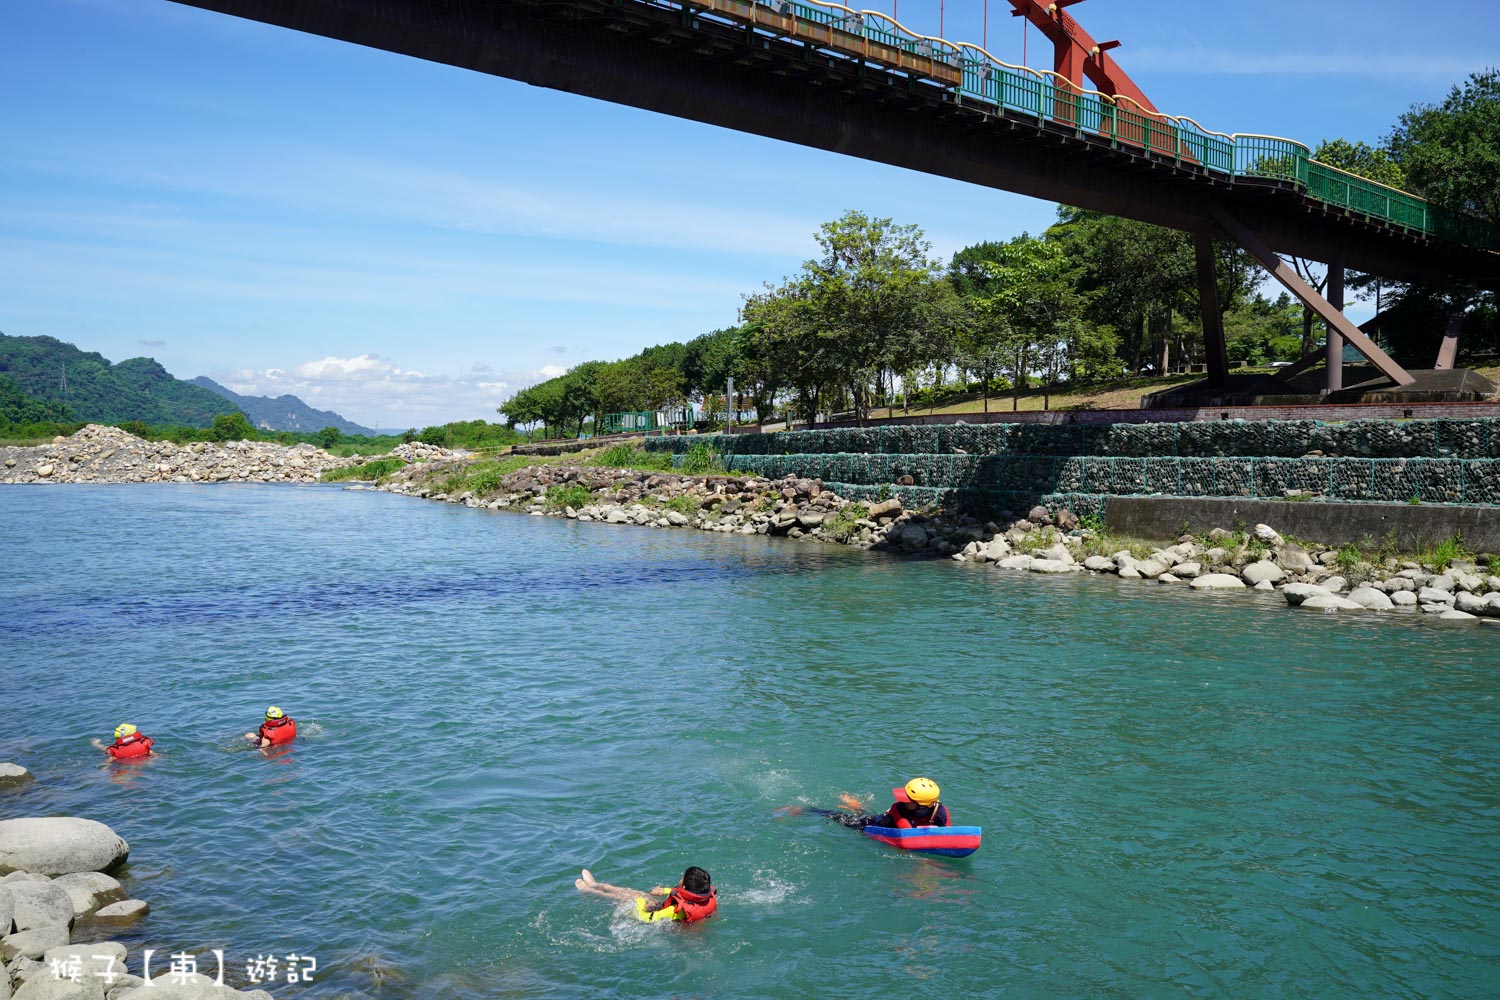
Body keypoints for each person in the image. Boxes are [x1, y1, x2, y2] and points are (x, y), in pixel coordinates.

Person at [782, 777, 951, 830]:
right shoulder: (898, 808)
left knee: (862, 813)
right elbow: (907, 836)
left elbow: (948, 834)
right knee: (839, 817)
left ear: (924, 805)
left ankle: (856, 806)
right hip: (871, 825)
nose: (903, 801)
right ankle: (801, 809)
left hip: (889, 823)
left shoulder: (941, 812)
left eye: (908, 800)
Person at [575, 866, 717, 923]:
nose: (680, 878)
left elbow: (647, 919)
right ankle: (596, 885)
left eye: (682, 877)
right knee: (637, 893)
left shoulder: (675, 911)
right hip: (661, 908)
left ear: (685, 886)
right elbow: (681, 894)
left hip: (655, 919)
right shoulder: (703, 893)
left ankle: (590, 891)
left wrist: (639, 903)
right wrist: (665, 891)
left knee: (629, 897)